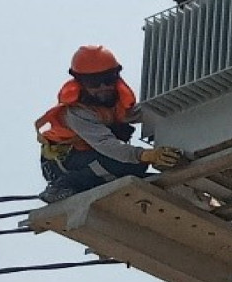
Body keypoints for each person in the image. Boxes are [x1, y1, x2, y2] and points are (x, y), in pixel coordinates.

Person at [36, 45, 182, 203]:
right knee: (128, 162)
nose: (103, 87)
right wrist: (145, 155)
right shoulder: (76, 112)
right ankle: (63, 185)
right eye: (94, 82)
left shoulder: (115, 103)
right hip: (62, 164)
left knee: (134, 165)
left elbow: (150, 113)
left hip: (94, 158)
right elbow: (105, 144)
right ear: (81, 83)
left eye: (108, 79)